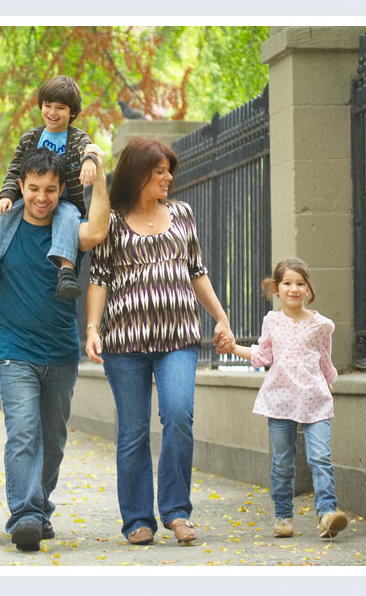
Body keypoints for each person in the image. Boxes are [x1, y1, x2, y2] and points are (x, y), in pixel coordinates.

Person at [0, 146, 110, 551]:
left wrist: (100, 175)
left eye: (50, 190)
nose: (41, 197)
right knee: (23, 433)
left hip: (62, 351)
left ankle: (39, 508)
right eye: (33, 188)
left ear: (60, 190)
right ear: (20, 186)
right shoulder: (0, 225)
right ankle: (24, 516)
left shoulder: (69, 227)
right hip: (15, 350)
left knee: (53, 440)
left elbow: (100, 229)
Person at [84, 138, 234, 546]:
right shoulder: (111, 221)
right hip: (124, 341)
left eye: (169, 170)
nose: (168, 177)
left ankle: (176, 511)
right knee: (133, 431)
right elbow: (99, 278)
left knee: (178, 415)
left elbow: (197, 271)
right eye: (160, 171)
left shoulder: (182, 214)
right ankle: (136, 519)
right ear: (138, 173)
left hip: (178, 338)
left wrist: (221, 318)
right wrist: (93, 329)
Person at [225, 258, 348, 540]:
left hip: (315, 399)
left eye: (300, 283)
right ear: (276, 289)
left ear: (308, 290)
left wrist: (329, 384)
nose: (294, 288)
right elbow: (263, 357)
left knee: (320, 458)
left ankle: (327, 514)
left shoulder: (322, 325)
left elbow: (326, 361)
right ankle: (283, 516)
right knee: (283, 462)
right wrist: (233, 347)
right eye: (288, 283)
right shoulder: (272, 321)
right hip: (280, 400)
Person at [0, 76, 101, 299]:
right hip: (30, 199)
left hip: (64, 200)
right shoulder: (31, 138)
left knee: (68, 218)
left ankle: (66, 271)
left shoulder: (76, 138)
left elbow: (89, 149)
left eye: (60, 108)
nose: (52, 112)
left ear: (72, 112)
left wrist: (90, 161)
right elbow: (15, 169)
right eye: (47, 106)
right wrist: (6, 195)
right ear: (41, 106)